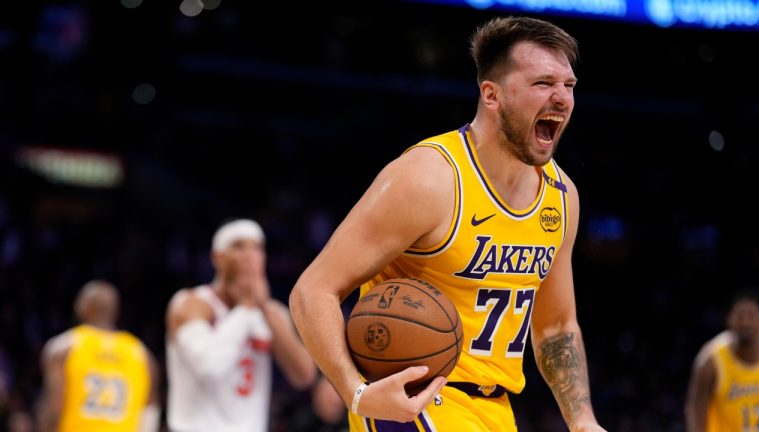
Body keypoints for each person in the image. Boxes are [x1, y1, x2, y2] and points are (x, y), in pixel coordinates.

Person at [289, 15, 605, 432]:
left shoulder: (562, 197)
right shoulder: (429, 177)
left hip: (495, 410)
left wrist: (582, 420)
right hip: (412, 402)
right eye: (543, 84)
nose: (562, 98)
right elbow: (313, 290)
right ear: (491, 95)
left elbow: (556, 325)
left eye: (569, 86)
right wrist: (357, 393)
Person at [165, 218, 317, 432]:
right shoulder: (191, 303)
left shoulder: (271, 313)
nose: (250, 255)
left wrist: (262, 308)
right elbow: (208, 367)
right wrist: (246, 306)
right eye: (238, 246)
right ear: (218, 257)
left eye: (257, 248)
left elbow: (304, 376)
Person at [37, 279, 160, 432]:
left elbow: (54, 407)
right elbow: (149, 416)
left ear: (84, 308)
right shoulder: (141, 353)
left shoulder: (64, 347)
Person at [685, 288, 759, 431]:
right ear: (728, 319)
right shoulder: (710, 360)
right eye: (740, 316)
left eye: (751, 316)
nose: (746, 322)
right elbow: (695, 410)